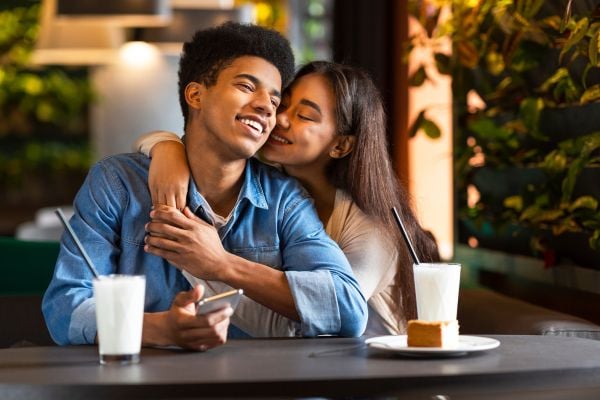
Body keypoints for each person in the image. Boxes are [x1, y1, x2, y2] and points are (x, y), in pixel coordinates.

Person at [42, 24, 367, 350]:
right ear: (196, 95)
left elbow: (348, 308)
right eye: (246, 86)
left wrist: (222, 264)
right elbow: (64, 307)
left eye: (274, 98)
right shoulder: (117, 184)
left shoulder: (284, 199)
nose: (267, 107)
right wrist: (158, 329)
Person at [136, 61, 439, 336]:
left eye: (304, 115)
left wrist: (208, 261)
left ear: (341, 145)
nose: (278, 119)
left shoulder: (371, 229)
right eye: (283, 104)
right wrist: (165, 146)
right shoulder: (272, 191)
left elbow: (301, 326)